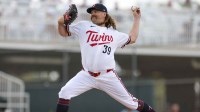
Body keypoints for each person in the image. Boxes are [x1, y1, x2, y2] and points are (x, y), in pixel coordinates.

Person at [56, 3, 155, 112]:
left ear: (104, 14)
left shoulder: (114, 34)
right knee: (64, 92)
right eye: (91, 12)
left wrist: (137, 18)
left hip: (107, 76)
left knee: (132, 104)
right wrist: (62, 20)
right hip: (87, 75)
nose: (93, 14)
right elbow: (63, 32)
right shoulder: (84, 26)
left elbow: (133, 38)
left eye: (95, 11)